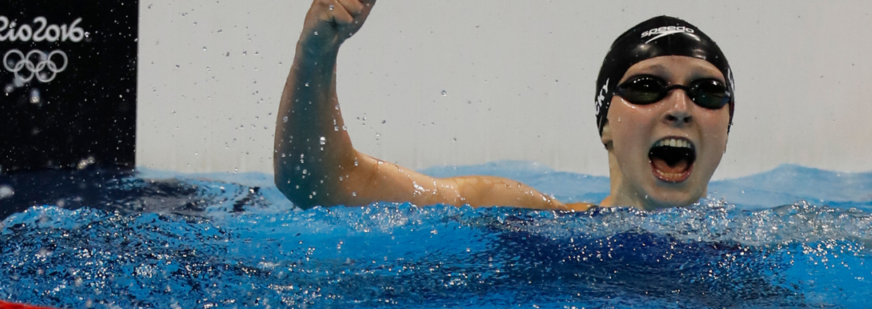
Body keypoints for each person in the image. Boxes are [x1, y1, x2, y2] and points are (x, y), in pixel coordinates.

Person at [274, 1, 734, 211]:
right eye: (648, 86)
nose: (680, 106)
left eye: (707, 92)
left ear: (726, 128)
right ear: (606, 125)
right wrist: (316, 56)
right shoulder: (528, 221)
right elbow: (317, 184)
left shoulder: (777, 239)